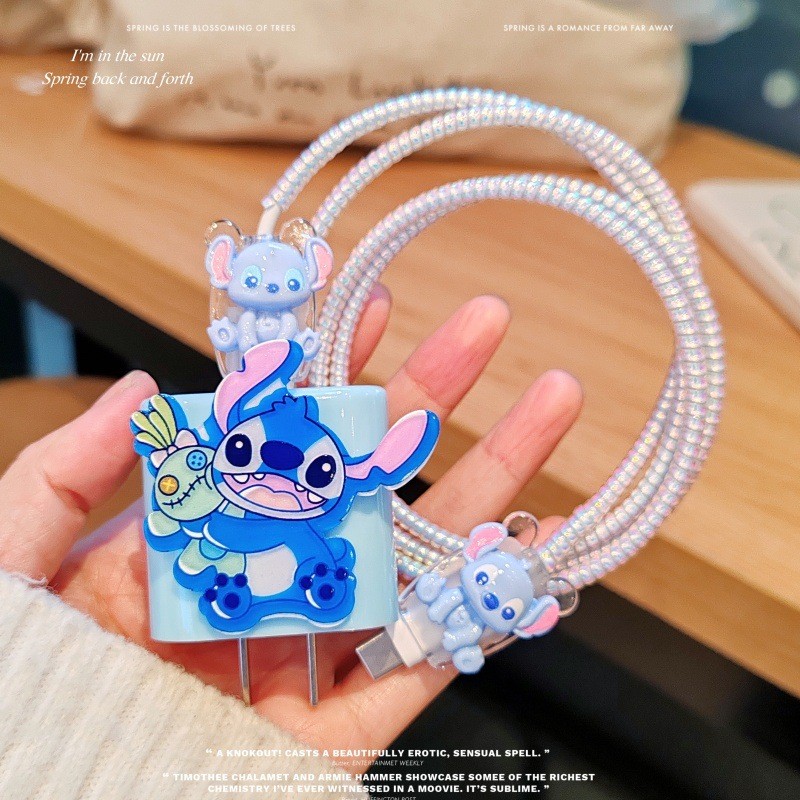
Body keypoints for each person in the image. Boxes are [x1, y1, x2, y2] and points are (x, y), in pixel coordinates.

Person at [0, 290, 582, 798]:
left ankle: (306, 584)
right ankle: (261, 587)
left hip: (295, 575)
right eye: (243, 453)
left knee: (308, 559)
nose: (272, 478)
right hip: (230, 576)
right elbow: (223, 522)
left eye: (315, 473)